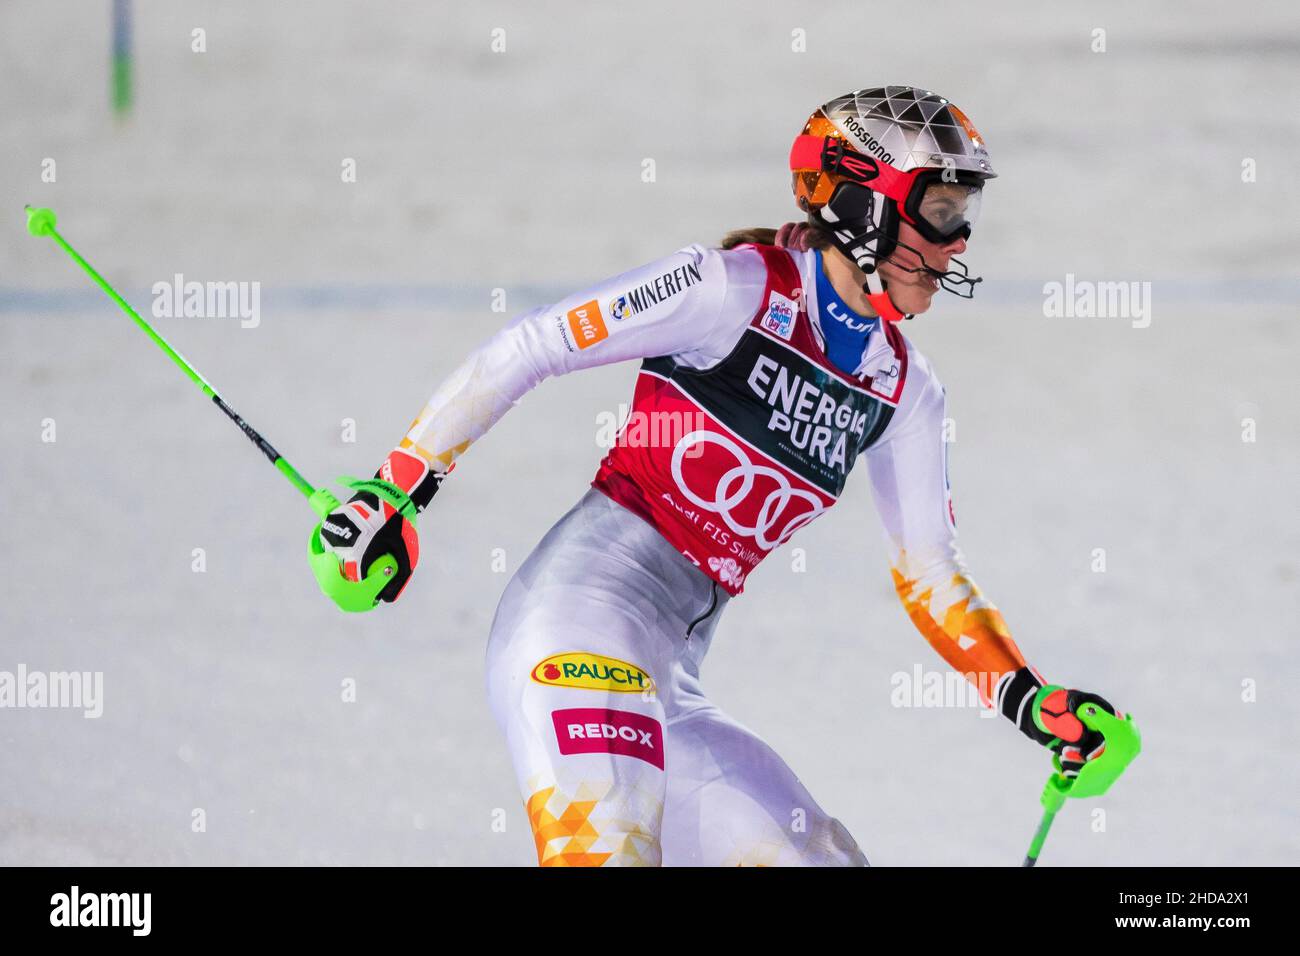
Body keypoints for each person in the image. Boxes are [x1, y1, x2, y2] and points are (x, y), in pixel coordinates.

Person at [313, 85, 1123, 866]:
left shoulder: (904, 387)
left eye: (964, 218)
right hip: (576, 632)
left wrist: (1030, 701)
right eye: (941, 214)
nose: (958, 244)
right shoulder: (729, 289)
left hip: (669, 687)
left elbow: (930, 570)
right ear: (860, 205)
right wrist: (397, 487)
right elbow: (537, 344)